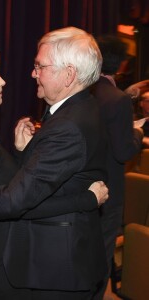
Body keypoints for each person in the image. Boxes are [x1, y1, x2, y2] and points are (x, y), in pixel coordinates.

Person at [0, 45, 108, 299]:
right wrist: (87, 199)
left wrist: (20, 152)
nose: (3, 81)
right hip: (2, 256)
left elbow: (14, 185)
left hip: (15, 246)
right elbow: (21, 202)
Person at [90, 35, 144, 299]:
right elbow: (124, 151)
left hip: (85, 184)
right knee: (102, 249)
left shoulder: (85, 91)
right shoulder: (119, 100)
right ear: (122, 64)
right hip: (109, 187)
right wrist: (136, 131)